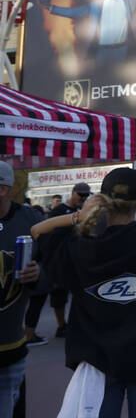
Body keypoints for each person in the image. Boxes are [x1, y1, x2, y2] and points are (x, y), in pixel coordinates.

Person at [32, 167, 136, 418]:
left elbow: (38, 230)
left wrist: (77, 217)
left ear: (101, 200)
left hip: (98, 360)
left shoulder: (81, 246)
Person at [0, 161, 42, 418]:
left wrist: (40, 273)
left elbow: (56, 268)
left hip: (9, 346)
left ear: (2, 189)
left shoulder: (30, 221)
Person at [25, 180, 89, 346]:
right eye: (81, 194)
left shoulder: (82, 211)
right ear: (73, 192)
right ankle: (28, 334)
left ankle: (62, 326)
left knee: (62, 297)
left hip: (71, 261)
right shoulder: (60, 211)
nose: (83, 197)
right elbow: (45, 232)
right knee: (40, 297)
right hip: (51, 260)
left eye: (86, 195)